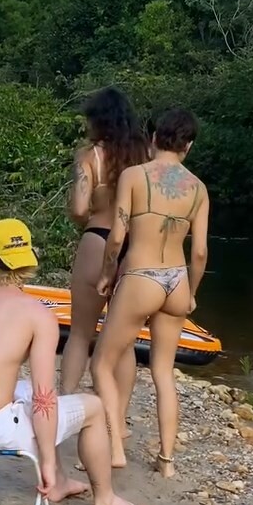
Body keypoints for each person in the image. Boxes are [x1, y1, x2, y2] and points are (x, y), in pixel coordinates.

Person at [0, 220, 145, 505]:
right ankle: (105, 501)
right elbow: (44, 397)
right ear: (29, 257)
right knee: (93, 407)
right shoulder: (37, 315)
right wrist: (47, 461)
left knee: (23, 388)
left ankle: (62, 482)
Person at [90, 108, 209, 477]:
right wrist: (192, 293)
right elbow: (200, 252)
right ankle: (167, 461)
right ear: (188, 145)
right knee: (163, 372)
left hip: (142, 276)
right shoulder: (198, 189)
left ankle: (114, 448)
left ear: (154, 138)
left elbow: (117, 236)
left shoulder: (134, 175)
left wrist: (107, 274)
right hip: (177, 279)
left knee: (102, 363)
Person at [60, 88, 149, 443]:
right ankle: (117, 423)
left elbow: (79, 209)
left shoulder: (90, 156)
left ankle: (65, 411)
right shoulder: (144, 155)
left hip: (98, 238)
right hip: (136, 249)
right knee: (123, 342)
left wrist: (83, 217)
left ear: (97, 120)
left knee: (80, 333)